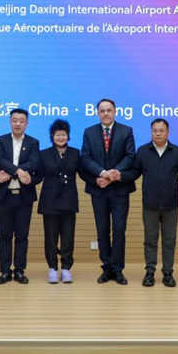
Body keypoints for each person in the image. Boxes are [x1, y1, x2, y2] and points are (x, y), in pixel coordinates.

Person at [123, 119, 178, 287]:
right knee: (150, 240)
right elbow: (134, 173)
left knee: (169, 241)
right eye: (155, 130)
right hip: (149, 205)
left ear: (167, 132)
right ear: (151, 132)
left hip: (171, 205)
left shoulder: (176, 151)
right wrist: (118, 176)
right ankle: (150, 272)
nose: (158, 133)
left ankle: (167, 273)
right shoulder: (143, 151)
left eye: (161, 130)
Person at [80, 99, 136, 285]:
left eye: (109, 110)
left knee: (119, 229)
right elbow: (86, 158)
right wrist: (102, 173)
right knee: (102, 229)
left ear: (115, 112)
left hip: (120, 190)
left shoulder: (126, 131)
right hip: (99, 189)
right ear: (97, 113)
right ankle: (106, 267)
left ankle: (118, 269)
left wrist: (113, 174)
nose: (105, 113)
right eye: (102, 111)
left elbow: (130, 156)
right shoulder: (89, 132)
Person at [0, 108, 40, 284]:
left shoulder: (33, 142)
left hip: (24, 196)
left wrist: (12, 171)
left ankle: (19, 270)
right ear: (10, 122)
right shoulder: (0, 141)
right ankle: (5, 271)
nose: (18, 123)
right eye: (14, 120)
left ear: (26, 123)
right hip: (4, 196)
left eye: (21, 121)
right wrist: (16, 171)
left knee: (22, 236)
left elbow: (34, 163)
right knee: (4, 235)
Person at [36, 119, 84, 284]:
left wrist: (100, 178)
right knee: (50, 237)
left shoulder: (75, 153)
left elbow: (84, 173)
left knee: (68, 236)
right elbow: (37, 175)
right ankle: (52, 268)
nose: (61, 137)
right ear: (52, 136)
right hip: (49, 201)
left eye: (63, 134)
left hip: (69, 200)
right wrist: (25, 178)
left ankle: (66, 268)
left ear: (68, 136)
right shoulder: (44, 154)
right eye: (57, 135)